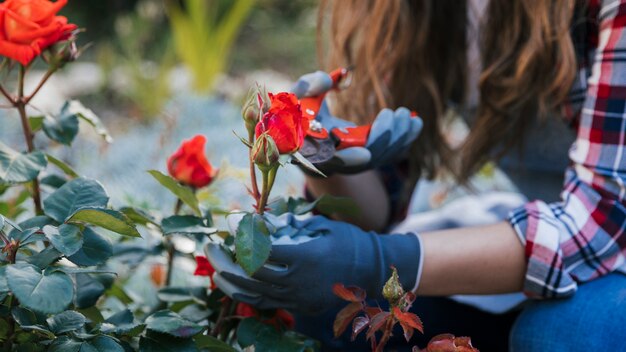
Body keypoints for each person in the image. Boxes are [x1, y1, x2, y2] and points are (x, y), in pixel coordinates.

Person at [207, 0, 626, 350]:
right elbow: (378, 210)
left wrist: (377, 260)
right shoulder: (429, 11)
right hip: (565, 236)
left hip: (604, 239)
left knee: (564, 334)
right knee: (327, 314)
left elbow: (603, 220)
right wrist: (322, 154)